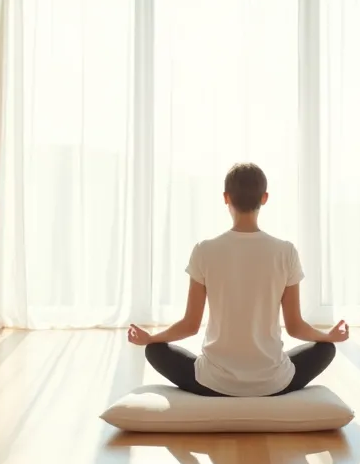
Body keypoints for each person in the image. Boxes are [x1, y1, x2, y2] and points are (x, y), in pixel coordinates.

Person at [126, 162, 348, 397]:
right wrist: (327, 336)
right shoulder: (286, 252)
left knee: (154, 351)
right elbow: (295, 327)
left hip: (212, 382)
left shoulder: (205, 250)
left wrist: (151, 338)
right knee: (326, 349)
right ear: (264, 198)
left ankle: (218, 382)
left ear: (226, 197)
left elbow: (190, 325)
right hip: (272, 382)